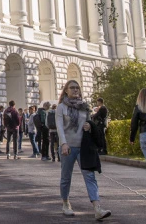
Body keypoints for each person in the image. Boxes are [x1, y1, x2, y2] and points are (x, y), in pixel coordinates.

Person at [57, 80, 111, 220]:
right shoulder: (61, 108)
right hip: (67, 147)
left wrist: (89, 126)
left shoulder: (84, 107)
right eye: (72, 88)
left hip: (83, 147)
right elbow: (60, 127)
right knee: (66, 177)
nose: (75, 90)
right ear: (66, 91)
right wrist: (63, 143)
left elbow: (89, 122)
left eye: (77, 88)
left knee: (90, 176)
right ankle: (66, 203)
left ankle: (97, 208)